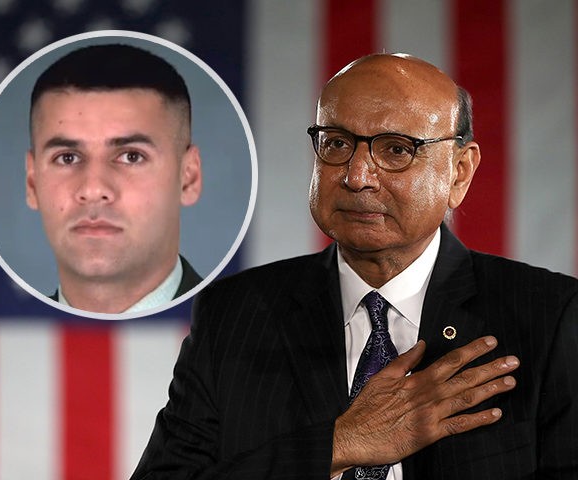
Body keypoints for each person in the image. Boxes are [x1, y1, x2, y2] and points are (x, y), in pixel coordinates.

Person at [130, 54, 578, 479]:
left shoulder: (551, 316)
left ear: (459, 172)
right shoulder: (234, 314)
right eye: (337, 143)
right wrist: (338, 445)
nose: (356, 175)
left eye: (397, 150)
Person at [26, 44, 203, 314]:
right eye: (67, 158)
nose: (94, 189)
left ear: (188, 177)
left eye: (131, 156)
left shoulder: (254, 335)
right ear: (32, 182)